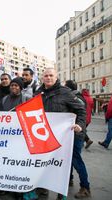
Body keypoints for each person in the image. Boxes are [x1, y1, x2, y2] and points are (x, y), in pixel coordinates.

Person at [35, 69, 88, 200]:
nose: (48, 78)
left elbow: (81, 110)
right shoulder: (38, 93)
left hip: (68, 135)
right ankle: (43, 189)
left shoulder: (65, 92)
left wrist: (80, 125)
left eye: (51, 75)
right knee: (46, 163)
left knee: (71, 162)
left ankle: (83, 188)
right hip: (46, 136)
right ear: (42, 78)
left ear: (56, 77)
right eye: (46, 76)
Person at [64, 80, 91, 199]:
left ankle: (85, 187)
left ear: (68, 88)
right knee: (69, 158)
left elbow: (81, 114)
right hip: (71, 132)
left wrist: (79, 126)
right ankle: (69, 179)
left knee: (76, 159)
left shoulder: (76, 98)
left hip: (77, 132)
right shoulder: (76, 96)